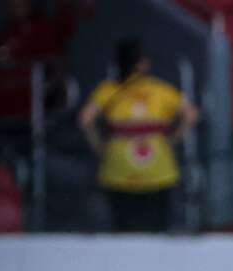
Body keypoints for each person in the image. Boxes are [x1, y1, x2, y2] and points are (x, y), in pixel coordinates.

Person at [78, 38, 199, 232]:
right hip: (157, 167)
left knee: (122, 232)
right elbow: (191, 114)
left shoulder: (108, 90)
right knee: (157, 231)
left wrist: (99, 147)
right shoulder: (160, 89)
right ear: (142, 64)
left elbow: (85, 119)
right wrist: (173, 139)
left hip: (118, 167)